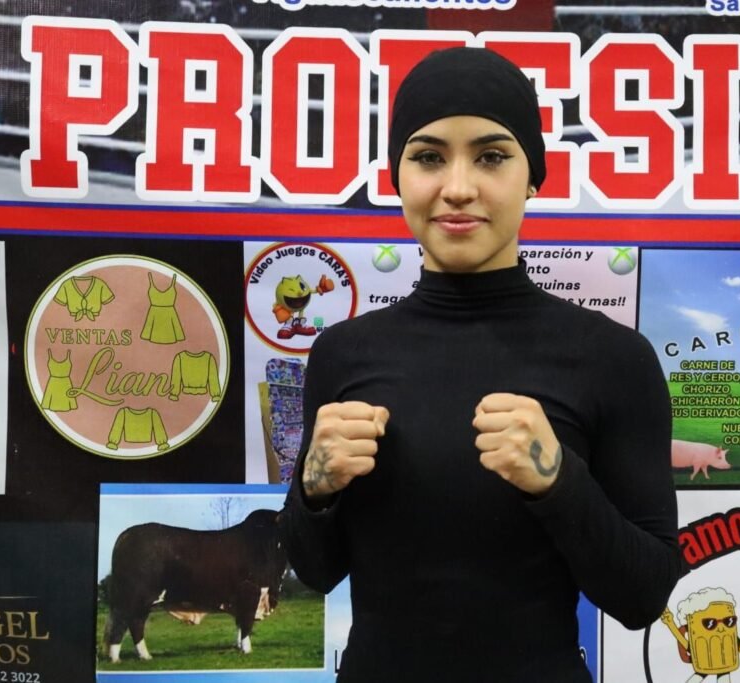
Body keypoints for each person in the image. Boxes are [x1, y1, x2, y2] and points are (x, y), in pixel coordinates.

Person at [281, 46, 682, 683]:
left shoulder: (612, 358)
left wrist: (560, 483)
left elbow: (644, 596)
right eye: (428, 157)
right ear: (397, 177)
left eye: (491, 156)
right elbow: (314, 570)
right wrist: (314, 490)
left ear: (533, 177)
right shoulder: (342, 352)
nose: (459, 187)